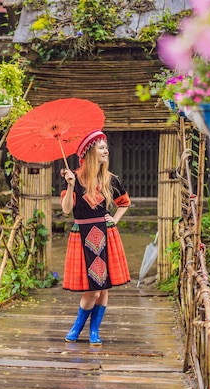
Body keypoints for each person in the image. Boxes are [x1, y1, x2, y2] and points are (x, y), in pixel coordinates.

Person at [60, 129, 131, 345]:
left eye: (106, 147)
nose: (106, 150)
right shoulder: (75, 177)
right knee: (93, 290)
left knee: (103, 287)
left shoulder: (110, 179)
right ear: (90, 152)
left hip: (105, 233)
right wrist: (71, 185)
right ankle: (77, 327)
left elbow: (124, 203)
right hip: (81, 233)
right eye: (101, 147)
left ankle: (94, 332)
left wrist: (114, 220)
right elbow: (65, 210)